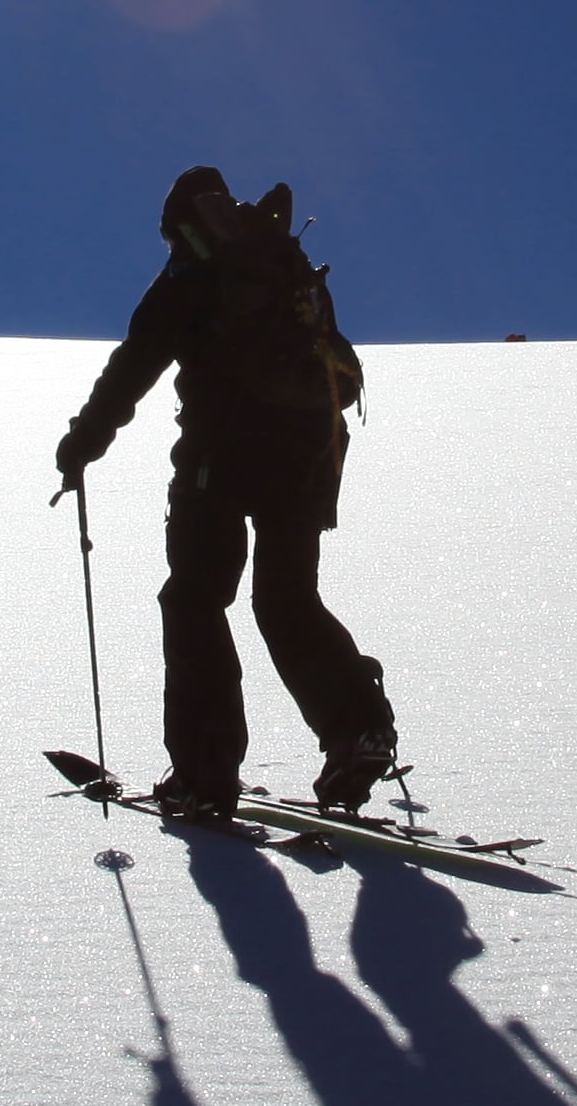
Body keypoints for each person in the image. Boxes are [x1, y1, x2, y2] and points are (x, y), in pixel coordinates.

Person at [54, 165, 398, 818]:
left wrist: (82, 444)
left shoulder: (191, 274)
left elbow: (135, 364)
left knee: (194, 598)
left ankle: (205, 771)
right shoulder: (281, 262)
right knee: (287, 600)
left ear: (180, 223)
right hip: (311, 455)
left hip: (223, 457)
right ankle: (357, 726)